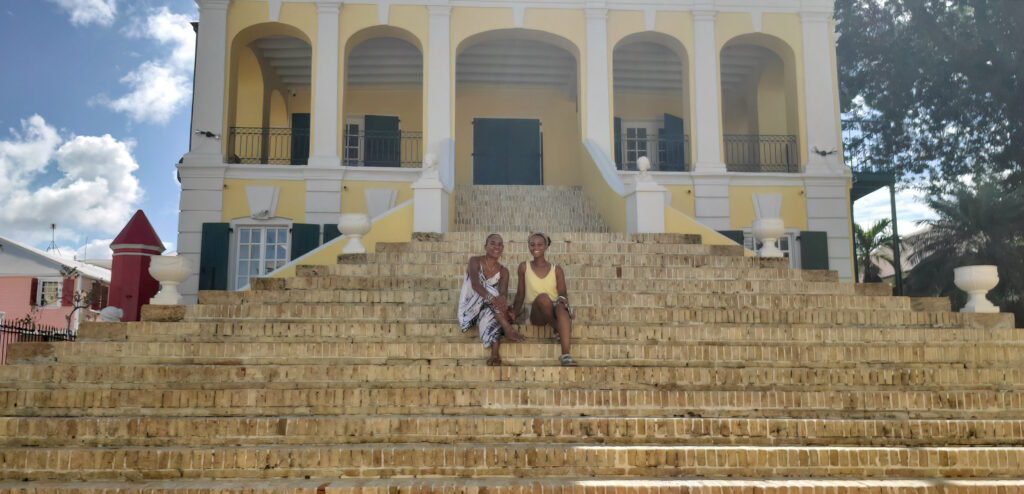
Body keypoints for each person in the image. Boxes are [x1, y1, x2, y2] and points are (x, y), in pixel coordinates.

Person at [511, 232, 578, 366]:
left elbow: (563, 293)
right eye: (532, 244)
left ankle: (566, 355)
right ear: (529, 246)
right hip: (536, 312)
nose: (536, 247)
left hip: (553, 309)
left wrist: (563, 305)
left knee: (561, 305)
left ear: (546, 246)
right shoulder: (524, 267)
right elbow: (520, 294)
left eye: (540, 244)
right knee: (543, 298)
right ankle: (560, 328)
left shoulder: (556, 269)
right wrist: (514, 313)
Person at [457, 233, 525, 366]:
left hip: (487, 307)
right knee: (492, 293)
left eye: (499, 244)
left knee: (491, 314)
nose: (496, 247)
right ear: (485, 246)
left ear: (503, 248)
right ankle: (508, 328)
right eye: (492, 243)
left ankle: (495, 353)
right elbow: (476, 285)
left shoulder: (504, 271)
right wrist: (496, 301)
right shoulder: (475, 261)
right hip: (469, 309)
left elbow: (503, 294)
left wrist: (503, 304)